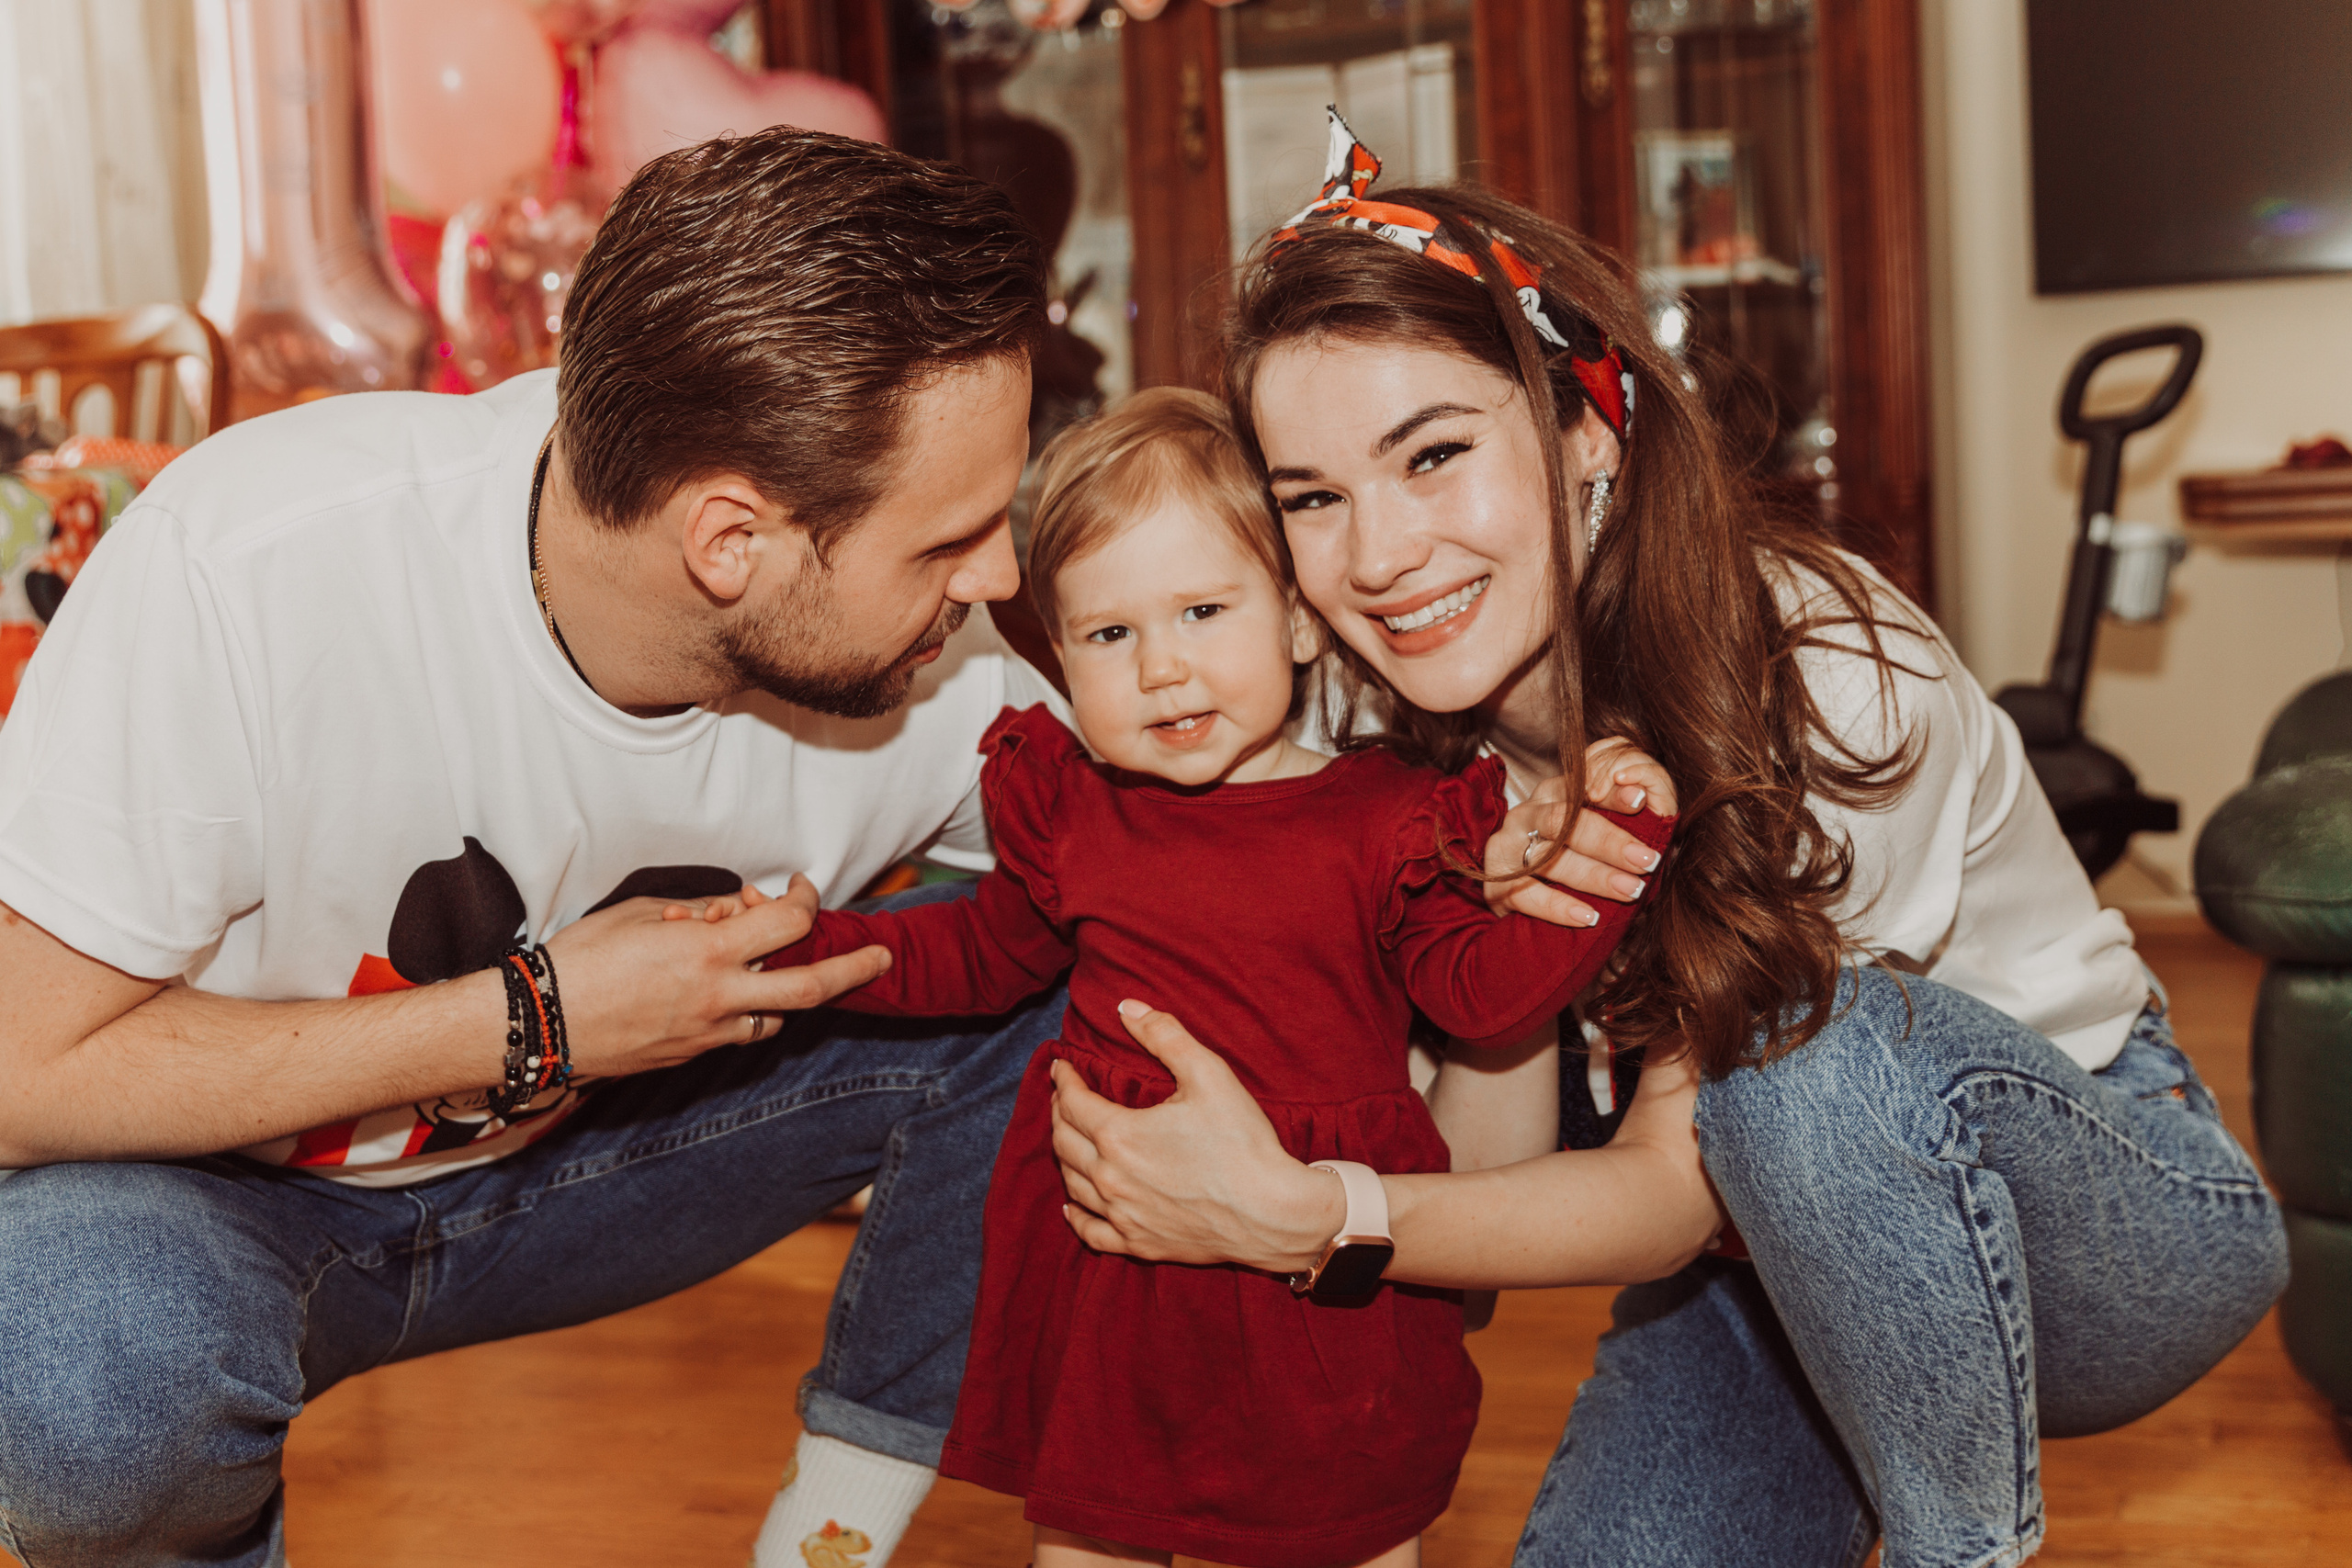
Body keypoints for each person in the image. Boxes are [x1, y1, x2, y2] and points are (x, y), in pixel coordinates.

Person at [1043, 119, 2290, 1568]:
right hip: (1752, 1276)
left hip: (2108, 1226)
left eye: (1435, 454)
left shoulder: (1824, 667)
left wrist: (1305, 1213)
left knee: (1804, 1062)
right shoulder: (1354, 708)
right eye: (1313, 497)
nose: (1376, 556)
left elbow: (1676, 1178)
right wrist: (1484, 936)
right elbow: (1475, 1189)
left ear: (1589, 427)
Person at [0, 129, 1063, 1568]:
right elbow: (16, 1073)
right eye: (946, 542)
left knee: (1095, 967)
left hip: (609, 1169)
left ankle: (831, 1533)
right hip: (218, 1199)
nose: (997, 577)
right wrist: (536, 1017)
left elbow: (1220, 854)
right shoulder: (246, 566)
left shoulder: (949, 671)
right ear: (729, 541)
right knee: (65, 1376)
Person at [701, 388, 1673, 1568]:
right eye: (1110, 635)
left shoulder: (1393, 818)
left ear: (1299, 622)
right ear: (1059, 656)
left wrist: (1609, 859)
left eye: (1203, 611)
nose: (1163, 668)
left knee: (1348, 1531)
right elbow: (977, 952)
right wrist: (800, 947)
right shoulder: (1073, 815)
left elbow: (1482, 996)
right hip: (1114, 1256)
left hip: (1321, 1280)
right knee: (1095, 1533)